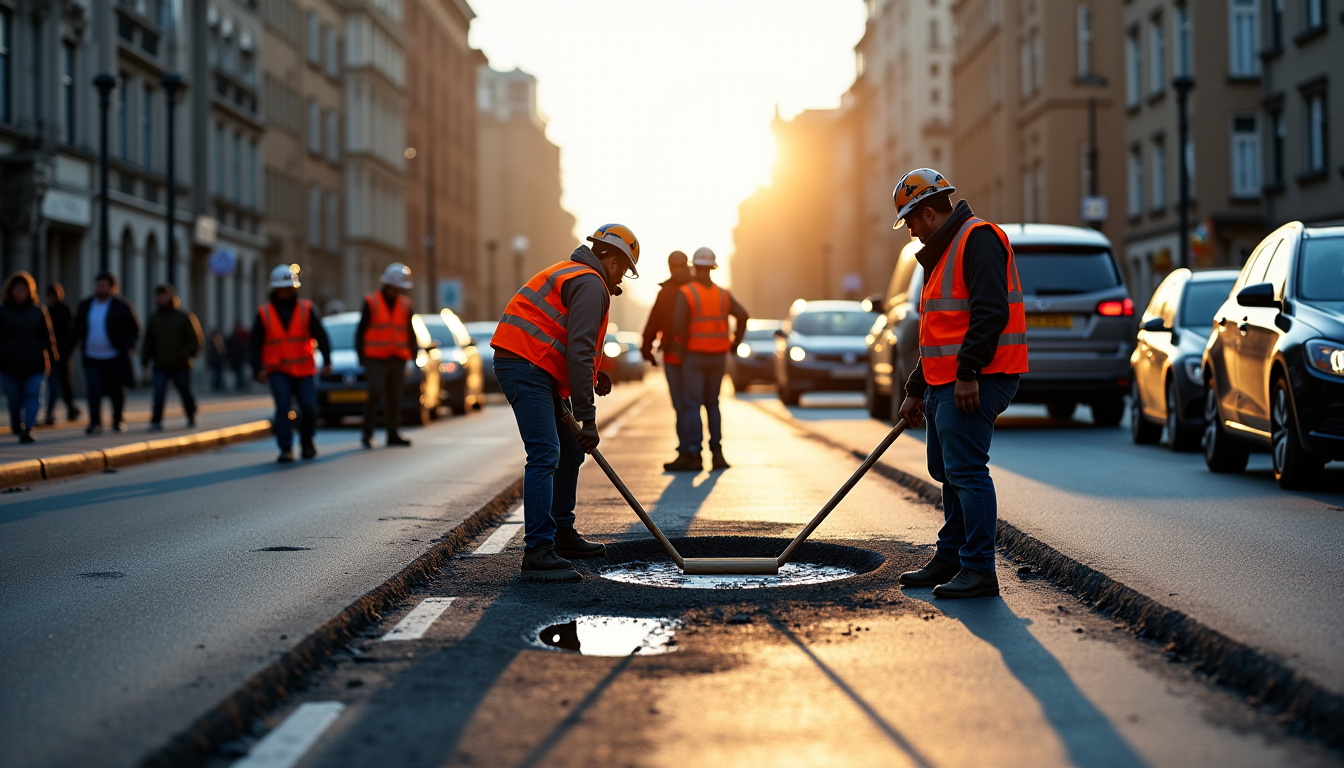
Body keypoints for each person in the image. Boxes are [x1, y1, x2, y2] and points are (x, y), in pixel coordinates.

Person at [892, 168, 1028, 599]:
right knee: (948, 471)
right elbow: (937, 335)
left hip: (979, 378)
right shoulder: (941, 253)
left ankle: (979, 568)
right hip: (948, 380)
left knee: (966, 471)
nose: (910, 231)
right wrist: (916, 388)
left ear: (929, 213)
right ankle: (950, 557)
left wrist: (968, 373)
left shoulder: (977, 239)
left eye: (911, 221)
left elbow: (991, 313)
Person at [491, 223, 640, 582]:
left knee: (571, 451)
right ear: (612, 260)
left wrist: (593, 377)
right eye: (623, 269)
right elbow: (579, 352)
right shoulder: (591, 283)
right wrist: (588, 421)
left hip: (532, 362)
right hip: (524, 365)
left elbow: (564, 337)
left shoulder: (575, 274)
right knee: (546, 452)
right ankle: (538, 552)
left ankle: (562, 534)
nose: (622, 279)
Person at [665, 247, 749, 472]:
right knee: (713, 404)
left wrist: (680, 351)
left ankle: (694, 454)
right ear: (712, 267)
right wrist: (735, 343)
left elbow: (677, 327)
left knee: (692, 406)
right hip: (718, 357)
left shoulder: (687, 292)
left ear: (695, 267)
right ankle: (717, 454)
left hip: (694, 357)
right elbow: (743, 315)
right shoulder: (723, 294)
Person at [248, 265, 333, 463]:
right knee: (283, 407)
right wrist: (257, 369)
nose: (285, 292)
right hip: (277, 370)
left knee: (308, 407)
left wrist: (328, 361)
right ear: (275, 290)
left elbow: (322, 336)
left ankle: (307, 443)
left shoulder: (307, 309)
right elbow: (254, 344)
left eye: (288, 288)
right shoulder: (264, 313)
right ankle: (285, 448)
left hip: (304, 369)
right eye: (282, 288)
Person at [640, 250, 695, 470]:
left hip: (674, 355)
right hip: (695, 356)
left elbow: (653, 322)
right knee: (695, 405)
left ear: (671, 267)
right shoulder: (695, 288)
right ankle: (698, 451)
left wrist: (647, 349)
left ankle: (687, 452)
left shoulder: (667, 292)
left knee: (682, 406)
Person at [355, 263, 417, 449]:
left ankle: (392, 433)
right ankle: (367, 433)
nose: (398, 291)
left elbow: (410, 332)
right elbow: (361, 331)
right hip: (375, 358)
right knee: (375, 392)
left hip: (398, 358)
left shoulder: (405, 304)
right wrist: (361, 356)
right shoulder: (371, 301)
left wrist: (413, 357)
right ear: (389, 285)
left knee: (394, 397)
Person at [73, 272, 140, 434]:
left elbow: (134, 329)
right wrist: (70, 348)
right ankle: (95, 422)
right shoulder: (86, 305)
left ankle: (117, 419)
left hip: (114, 357)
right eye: (98, 285)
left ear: (112, 288)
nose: (100, 289)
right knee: (94, 389)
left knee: (116, 390)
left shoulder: (121, 306)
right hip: (91, 357)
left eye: (104, 286)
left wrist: (126, 344)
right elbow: (76, 329)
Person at [0, 271, 58, 443]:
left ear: (30, 291)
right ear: (10, 291)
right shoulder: (3, 311)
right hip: (9, 365)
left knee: (33, 396)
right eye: (17, 290)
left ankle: (29, 428)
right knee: (14, 399)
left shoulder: (38, 311)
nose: (20, 293)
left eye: (24, 290)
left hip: (36, 364)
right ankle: (17, 425)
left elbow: (48, 337)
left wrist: (53, 357)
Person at [141, 284, 204, 432]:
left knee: (184, 391)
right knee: (159, 393)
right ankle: (156, 420)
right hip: (160, 363)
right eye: (159, 295)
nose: (161, 298)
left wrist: (186, 355)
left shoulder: (184, 316)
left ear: (171, 296)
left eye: (164, 295)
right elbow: (148, 341)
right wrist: (145, 361)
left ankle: (191, 414)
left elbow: (196, 340)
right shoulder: (154, 318)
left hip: (181, 364)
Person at [43, 283, 80, 424]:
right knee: (62, 383)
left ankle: (57, 411)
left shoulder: (55, 310)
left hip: (60, 352)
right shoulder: (54, 310)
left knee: (60, 383)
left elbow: (71, 332)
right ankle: (65, 410)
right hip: (59, 353)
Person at [228, 322, 248, 391]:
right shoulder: (241, 335)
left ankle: (241, 384)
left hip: (239, 357)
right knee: (240, 372)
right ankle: (241, 384)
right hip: (239, 358)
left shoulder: (238, 335)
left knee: (240, 372)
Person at [206, 328, 228, 392]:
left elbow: (223, 351)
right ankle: (216, 386)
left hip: (218, 361)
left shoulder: (218, 341)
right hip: (215, 361)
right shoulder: (213, 342)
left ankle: (218, 386)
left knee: (218, 374)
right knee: (216, 374)